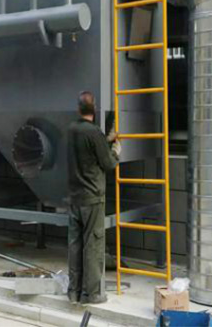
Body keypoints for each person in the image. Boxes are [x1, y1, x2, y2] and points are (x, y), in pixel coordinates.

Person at [67, 91, 121, 305]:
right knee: (93, 245)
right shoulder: (94, 132)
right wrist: (115, 150)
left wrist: (104, 141)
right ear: (95, 108)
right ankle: (92, 294)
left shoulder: (72, 129)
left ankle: (74, 292)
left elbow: (87, 151)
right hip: (92, 198)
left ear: (78, 109)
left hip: (75, 198)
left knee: (75, 245)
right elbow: (107, 163)